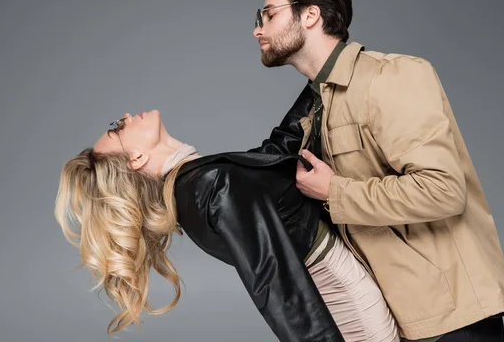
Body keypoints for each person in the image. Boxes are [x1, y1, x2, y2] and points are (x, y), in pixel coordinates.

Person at [249, 0, 504, 342]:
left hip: (451, 321)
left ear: (310, 15)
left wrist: (334, 191)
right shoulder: (316, 104)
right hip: (400, 319)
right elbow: (261, 166)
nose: (258, 29)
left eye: (269, 14)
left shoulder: (390, 77)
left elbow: (444, 189)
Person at [54, 109, 402, 342]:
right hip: (346, 308)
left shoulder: (194, 184)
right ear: (137, 159)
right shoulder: (208, 185)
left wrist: (322, 78)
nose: (126, 117)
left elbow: (273, 153)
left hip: (345, 296)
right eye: (118, 127)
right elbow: (276, 284)